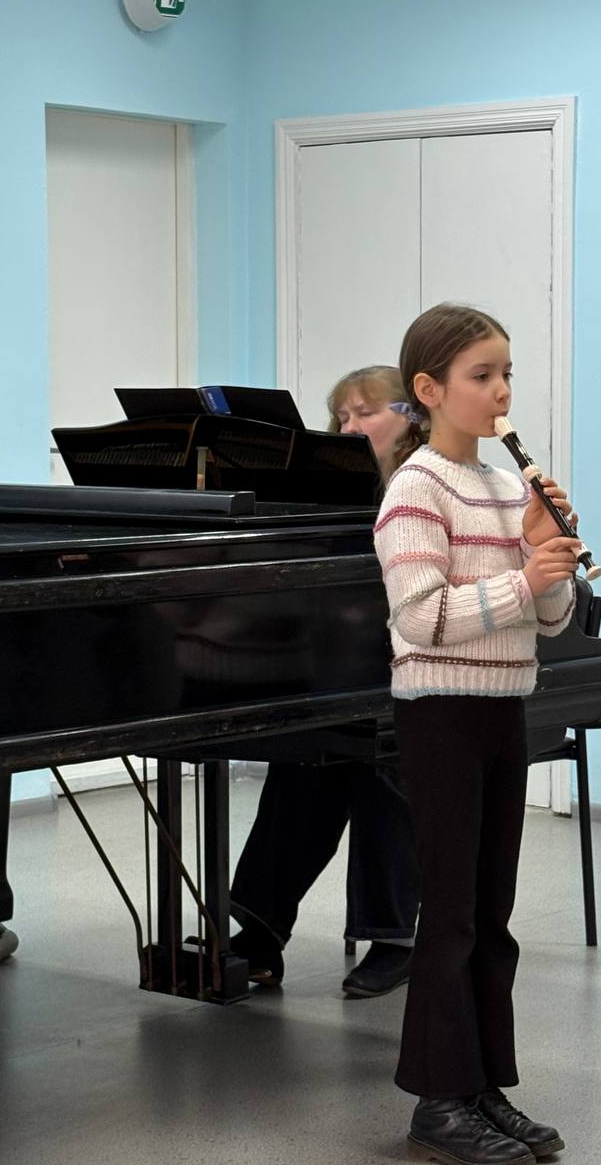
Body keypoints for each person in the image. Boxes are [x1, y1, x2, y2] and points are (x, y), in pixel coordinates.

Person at [373, 303, 582, 1164]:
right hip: (441, 716)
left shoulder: (503, 487)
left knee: (492, 913)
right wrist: (521, 579)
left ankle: (482, 1085)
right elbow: (421, 619)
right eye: (482, 376)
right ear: (430, 390)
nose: (501, 392)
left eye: (507, 375)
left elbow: (551, 619)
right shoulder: (415, 489)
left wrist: (548, 562)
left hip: (501, 709)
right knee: (452, 915)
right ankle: (437, 1100)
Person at [229, 365, 423, 998]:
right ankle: (260, 930)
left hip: (427, 675)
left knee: (382, 761)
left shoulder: (429, 483)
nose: (349, 427)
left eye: (366, 412)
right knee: (306, 754)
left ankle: (395, 938)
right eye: (341, 416)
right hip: (357, 669)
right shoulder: (336, 493)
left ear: (412, 415)